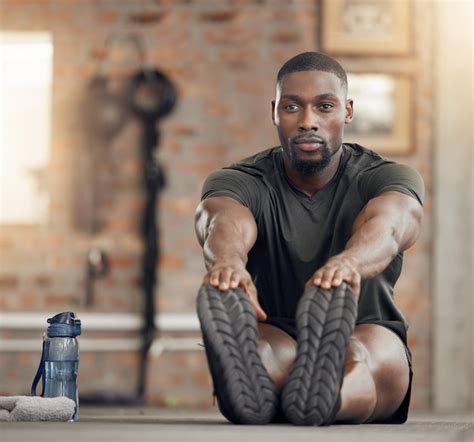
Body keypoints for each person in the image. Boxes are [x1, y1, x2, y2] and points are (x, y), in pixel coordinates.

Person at [194, 52, 424, 426]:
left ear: (347, 111)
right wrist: (227, 264)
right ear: (274, 112)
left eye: (325, 106)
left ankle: (320, 394)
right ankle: (280, 390)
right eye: (292, 107)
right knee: (265, 350)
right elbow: (222, 222)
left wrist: (348, 264)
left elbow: (391, 225)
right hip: (276, 326)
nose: (307, 122)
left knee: (359, 354)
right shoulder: (241, 180)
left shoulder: (383, 177)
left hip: (365, 325)